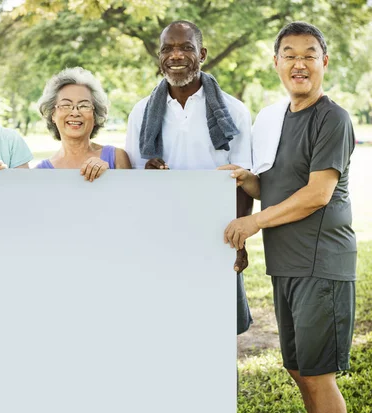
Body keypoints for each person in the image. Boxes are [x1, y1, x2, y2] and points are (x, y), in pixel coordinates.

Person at [224, 22, 356, 413]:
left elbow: (316, 195)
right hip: (286, 265)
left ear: (324, 62)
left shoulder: (333, 118)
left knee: (318, 375)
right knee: (299, 369)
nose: (300, 64)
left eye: (309, 55)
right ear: (277, 63)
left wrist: (254, 222)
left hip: (321, 266)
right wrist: (245, 178)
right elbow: (275, 187)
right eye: (290, 56)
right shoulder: (276, 119)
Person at [125, 20, 254, 334]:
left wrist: (237, 241)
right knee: (163, 326)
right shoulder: (141, 113)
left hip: (216, 236)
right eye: (167, 48)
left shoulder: (235, 112)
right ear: (159, 57)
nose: (176, 55)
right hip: (159, 237)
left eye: (186, 47)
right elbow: (131, 181)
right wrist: (148, 173)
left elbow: (245, 182)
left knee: (217, 332)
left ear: (203, 54)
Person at [36, 67, 131, 179]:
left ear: (95, 115)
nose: (75, 112)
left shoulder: (117, 157)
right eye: (66, 105)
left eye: (84, 106)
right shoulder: (40, 171)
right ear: (53, 115)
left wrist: (109, 176)